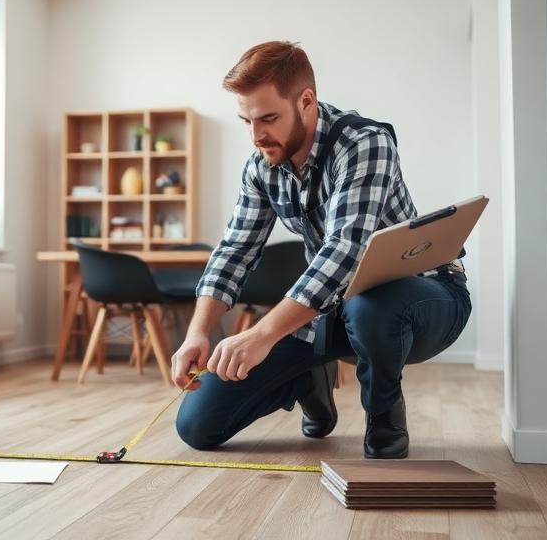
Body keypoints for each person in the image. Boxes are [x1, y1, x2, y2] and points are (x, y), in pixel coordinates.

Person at [170, 41, 472, 459]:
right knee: (198, 426)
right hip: (332, 308)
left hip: (423, 299)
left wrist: (261, 334)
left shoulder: (365, 144)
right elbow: (234, 251)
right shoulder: (262, 167)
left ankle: (383, 417)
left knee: (370, 305)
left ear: (306, 101)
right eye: (246, 121)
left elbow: (345, 253)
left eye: (269, 118)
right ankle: (308, 377)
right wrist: (197, 332)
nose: (257, 136)